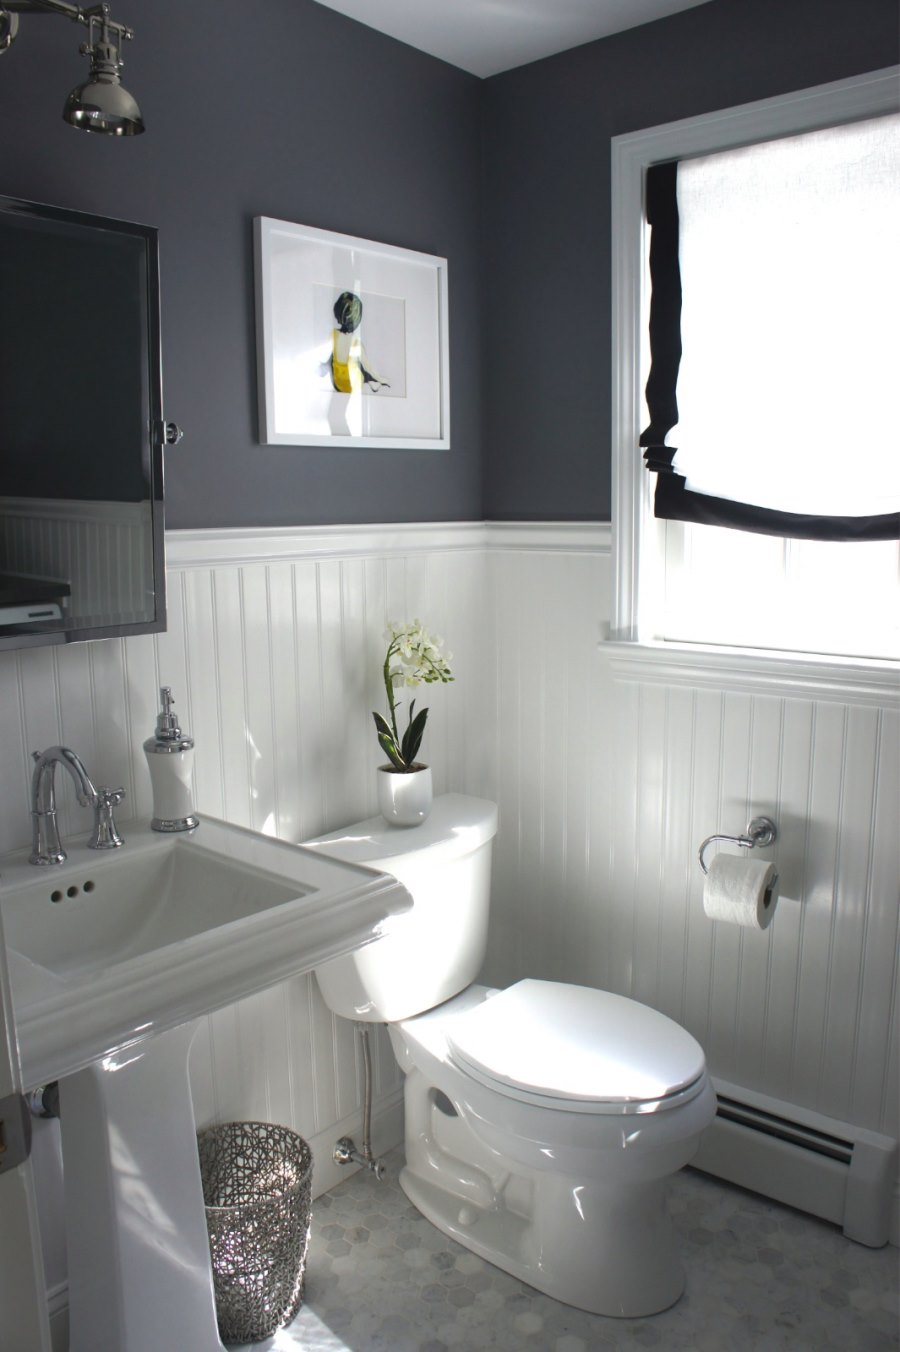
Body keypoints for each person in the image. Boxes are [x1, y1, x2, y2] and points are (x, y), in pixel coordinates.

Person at [323, 291, 390, 394]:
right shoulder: (356, 343)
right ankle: (372, 382)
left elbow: (324, 356)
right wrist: (382, 379)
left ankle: (371, 382)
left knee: (334, 355)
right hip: (352, 385)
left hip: (337, 382)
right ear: (357, 318)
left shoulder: (333, 334)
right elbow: (369, 368)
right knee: (360, 364)